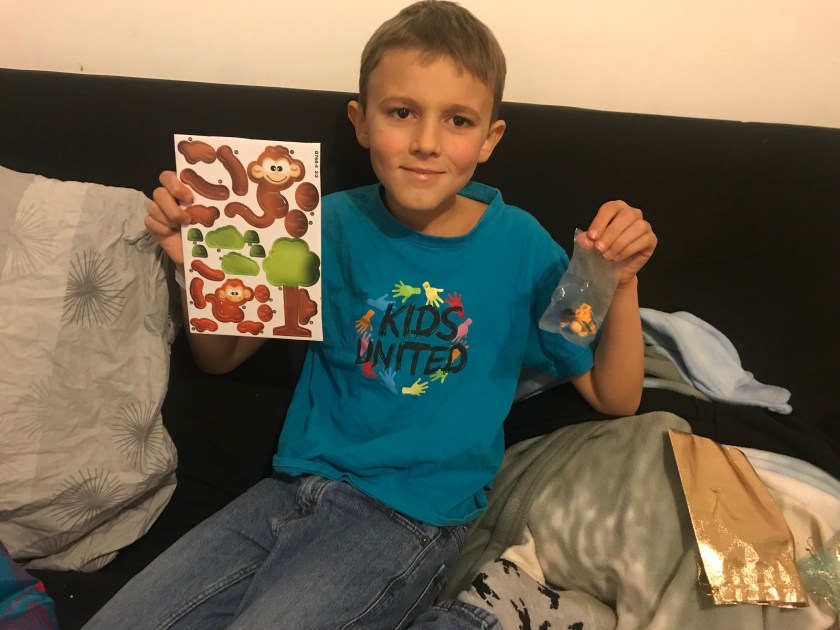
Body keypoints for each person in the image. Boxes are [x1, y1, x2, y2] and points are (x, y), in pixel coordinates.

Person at [84, 1, 656, 628]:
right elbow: (221, 359)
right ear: (361, 122)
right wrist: (198, 268)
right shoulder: (320, 223)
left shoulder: (520, 246)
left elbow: (615, 395)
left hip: (408, 518)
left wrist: (621, 282)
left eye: (458, 120)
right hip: (286, 492)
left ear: (490, 138)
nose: (427, 142)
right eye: (401, 112)